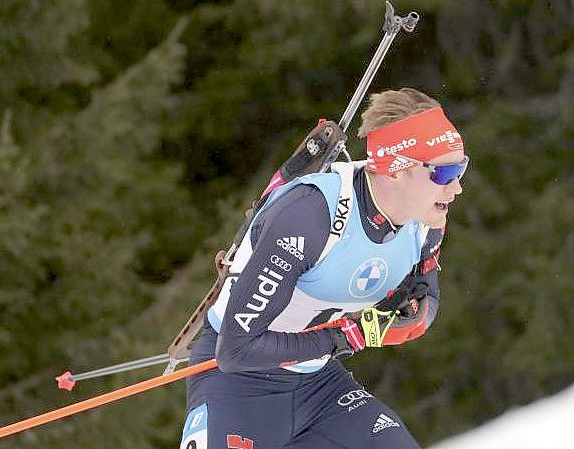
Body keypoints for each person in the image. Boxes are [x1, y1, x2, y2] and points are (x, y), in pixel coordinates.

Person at [179, 87, 467, 449]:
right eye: (443, 173)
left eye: (461, 167)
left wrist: (409, 315)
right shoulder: (311, 215)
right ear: (397, 170)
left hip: (319, 388)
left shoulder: (426, 221)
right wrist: (347, 336)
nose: (455, 188)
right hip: (237, 386)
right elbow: (236, 350)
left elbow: (422, 304)